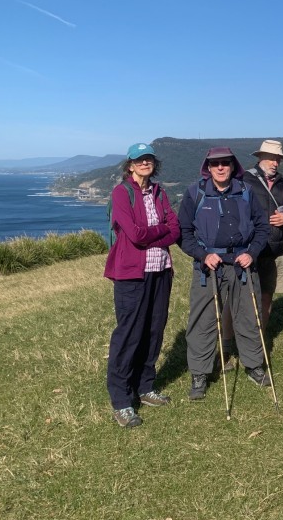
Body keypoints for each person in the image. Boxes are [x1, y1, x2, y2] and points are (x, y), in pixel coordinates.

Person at [178, 147, 270, 399]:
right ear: (208, 168)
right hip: (209, 266)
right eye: (215, 163)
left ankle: (254, 365)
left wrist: (252, 252)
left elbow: (262, 227)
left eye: (225, 163)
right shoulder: (195, 193)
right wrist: (202, 255)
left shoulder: (246, 191)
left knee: (249, 316)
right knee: (203, 320)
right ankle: (199, 373)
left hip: (243, 264)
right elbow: (183, 232)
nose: (220, 167)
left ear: (232, 166)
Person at [103, 142, 181, 428]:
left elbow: (175, 231)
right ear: (130, 165)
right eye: (139, 160)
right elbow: (134, 235)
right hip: (132, 275)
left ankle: (145, 386)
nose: (145, 163)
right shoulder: (121, 193)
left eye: (149, 159)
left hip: (160, 270)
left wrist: (155, 233)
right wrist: (160, 230)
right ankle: (122, 401)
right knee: (129, 335)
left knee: (154, 330)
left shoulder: (159, 192)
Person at [244, 140, 283, 330]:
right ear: (261, 157)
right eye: (272, 159)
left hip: (274, 250)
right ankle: (235, 339)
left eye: (278, 160)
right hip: (249, 250)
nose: (276, 163)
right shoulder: (245, 180)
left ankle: (260, 338)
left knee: (267, 296)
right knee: (244, 298)